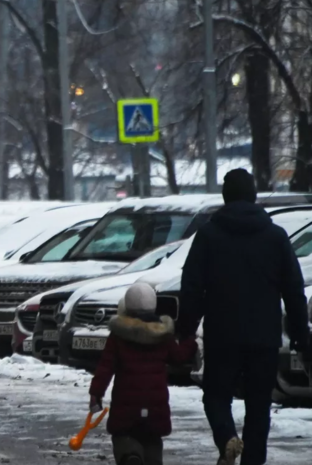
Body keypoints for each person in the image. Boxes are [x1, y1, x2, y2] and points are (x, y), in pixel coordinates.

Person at [180, 169, 312, 465]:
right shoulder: (276, 237)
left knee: (216, 396)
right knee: (258, 404)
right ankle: (253, 460)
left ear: (225, 197)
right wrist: (301, 338)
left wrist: (185, 329)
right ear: (253, 196)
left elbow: (191, 287)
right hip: (263, 338)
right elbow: (293, 291)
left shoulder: (209, 236)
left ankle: (227, 438)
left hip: (222, 335)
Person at [89, 282, 197, 465]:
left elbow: (105, 368)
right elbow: (179, 357)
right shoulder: (163, 335)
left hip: (126, 404)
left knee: (123, 435)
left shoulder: (118, 336)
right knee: (152, 438)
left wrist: (96, 394)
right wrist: (192, 342)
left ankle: (130, 455)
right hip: (155, 403)